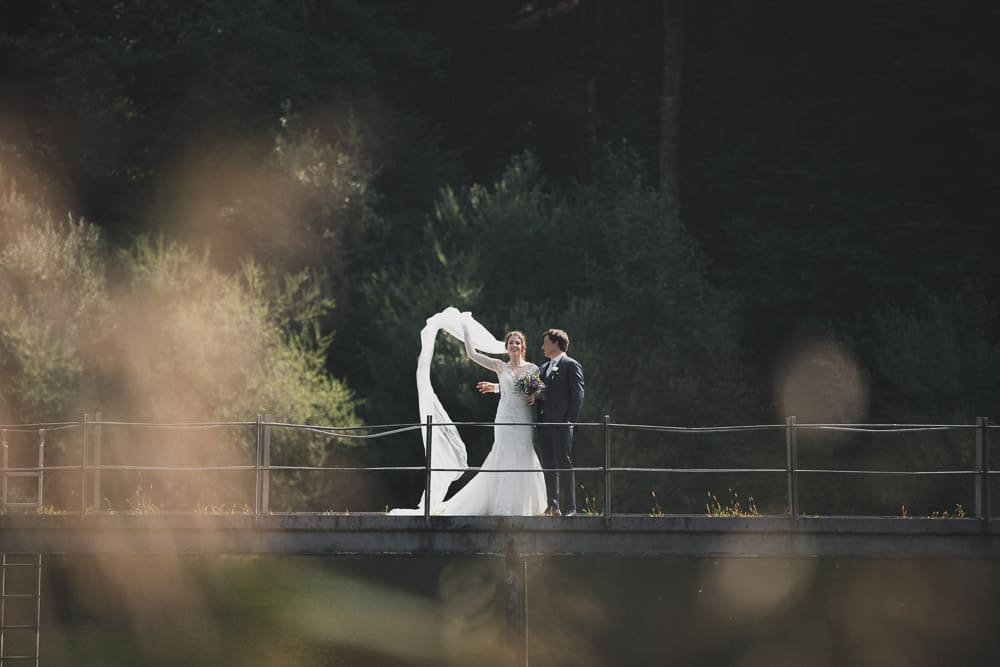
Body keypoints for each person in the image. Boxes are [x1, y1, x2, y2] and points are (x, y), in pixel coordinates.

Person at [440, 326, 547, 515]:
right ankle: (501, 504)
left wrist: (534, 396)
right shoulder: (500, 366)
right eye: (511, 342)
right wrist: (466, 329)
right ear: (506, 347)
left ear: (523, 347)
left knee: (524, 455)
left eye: (518, 342)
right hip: (504, 418)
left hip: (523, 419)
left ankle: (523, 506)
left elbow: (533, 392)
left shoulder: (532, 368)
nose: (514, 345)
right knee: (503, 456)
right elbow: (472, 355)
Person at [530, 329, 584, 516]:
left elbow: (578, 396)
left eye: (545, 342)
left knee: (564, 463)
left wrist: (569, 422)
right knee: (549, 464)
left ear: (555, 343)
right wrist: (530, 394)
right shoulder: (542, 368)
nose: (542, 346)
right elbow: (537, 394)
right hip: (544, 423)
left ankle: (570, 507)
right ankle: (553, 505)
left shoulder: (571, 365)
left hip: (561, 424)